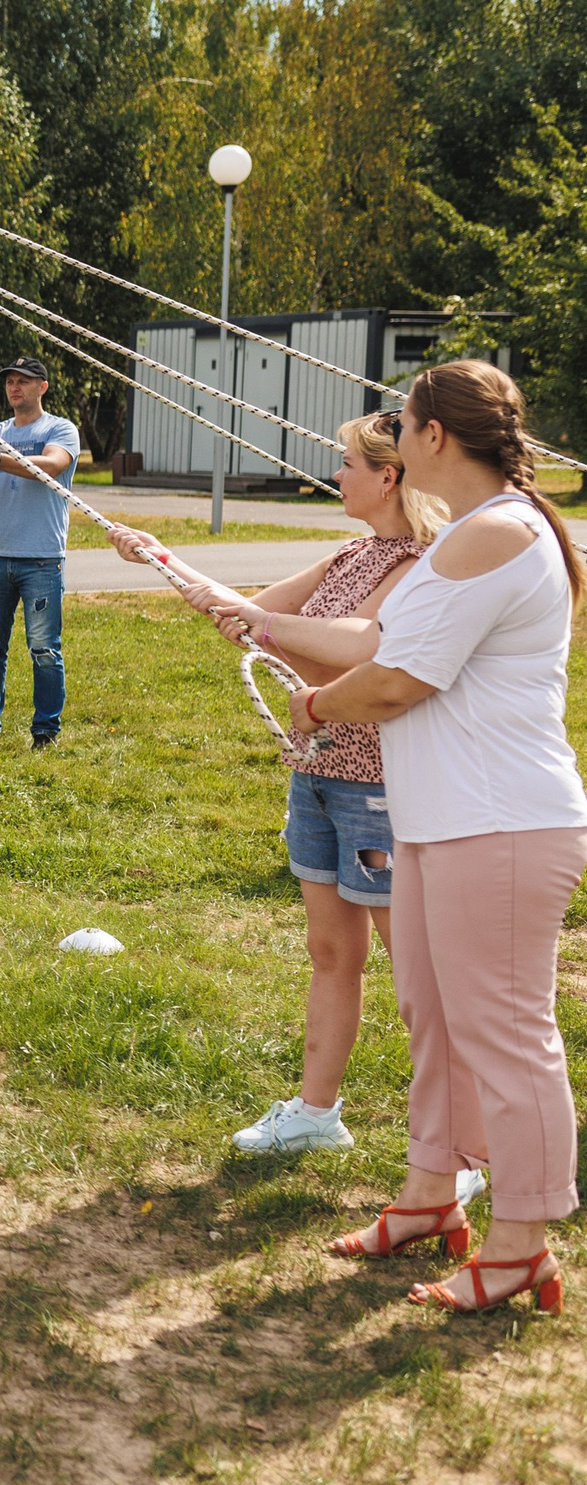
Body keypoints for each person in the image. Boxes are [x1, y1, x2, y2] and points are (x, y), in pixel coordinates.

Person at [290, 360, 587, 1314]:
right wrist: (265, 624)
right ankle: (430, 1195)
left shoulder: (496, 533)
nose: (391, 436)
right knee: (436, 1017)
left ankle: (521, 1242)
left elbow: (396, 679)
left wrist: (313, 707)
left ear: (432, 439)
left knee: (506, 1034)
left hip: (498, 823)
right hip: (440, 820)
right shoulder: (467, 533)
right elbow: (381, 645)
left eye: (402, 419)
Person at [106, 413, 443, 1157]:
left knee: (415, 969)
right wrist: (159, 557)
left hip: (376, 785)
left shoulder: (421, 565)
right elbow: (251, 604)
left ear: (389, 476)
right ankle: (316, 1113)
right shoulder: (350, 553)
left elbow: (359, 645)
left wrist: (263, 624)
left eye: (348, 462)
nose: (339, 474)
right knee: (331, 952)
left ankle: (454, 1136)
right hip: (318, 775)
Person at [0, 357, 81, 748]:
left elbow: (51, 466)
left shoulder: (60, 429)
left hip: (42, 559)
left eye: (24, 381)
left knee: (44, 650)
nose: (15, 387)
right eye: (10, 381)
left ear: (42, 387)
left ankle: (45, 732)